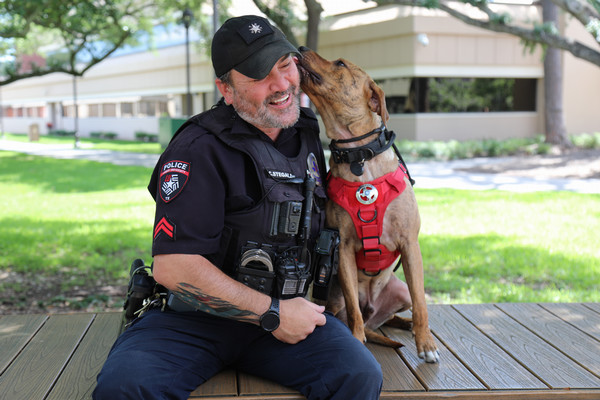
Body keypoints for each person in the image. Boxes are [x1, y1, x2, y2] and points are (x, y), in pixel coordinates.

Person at [93, 15, 382, 400]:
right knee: (125, 389)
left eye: (284, 65)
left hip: (288, 316)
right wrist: (272, 313)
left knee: (358, 374)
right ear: (226, 90)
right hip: (193, 321)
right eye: (259, 76)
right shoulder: (198, 148)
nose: (281, 85)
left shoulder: (306, 130)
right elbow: (174, 266)